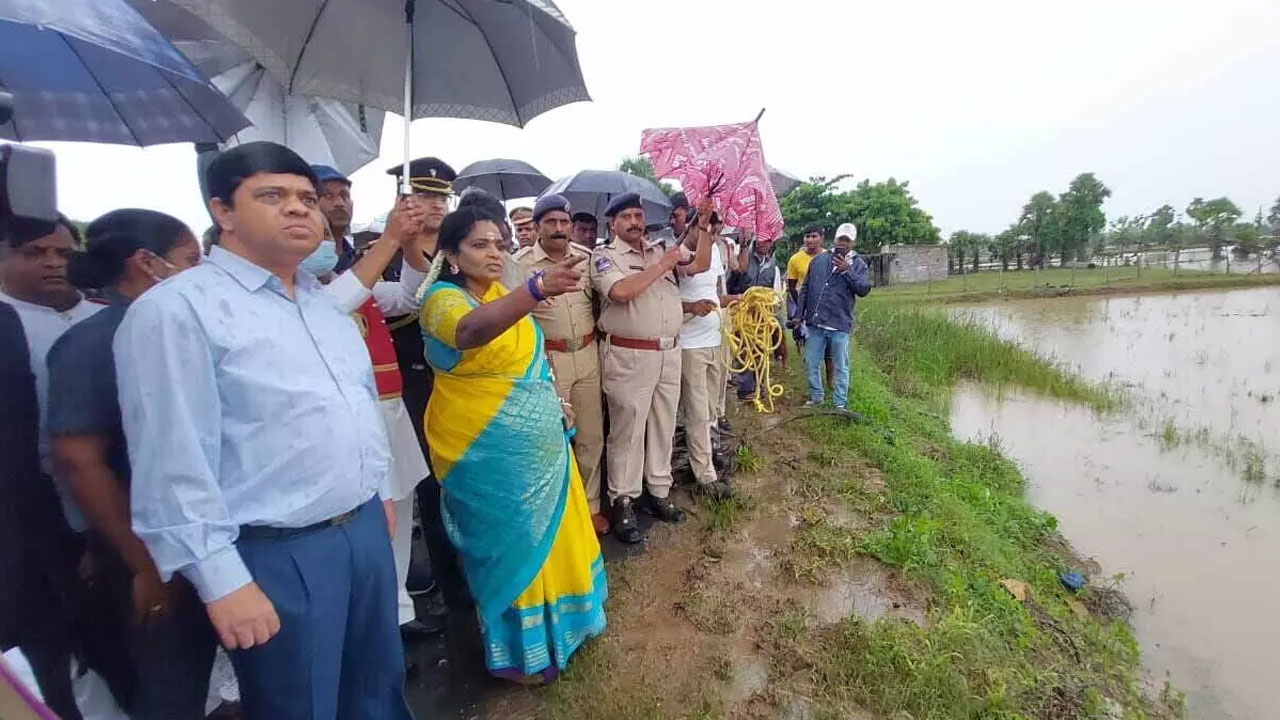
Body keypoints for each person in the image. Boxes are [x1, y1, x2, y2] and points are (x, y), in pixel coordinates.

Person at [114, 142, 412, 720]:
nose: (300, 209)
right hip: (276, 549)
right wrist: (222, 581)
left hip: (363, 529)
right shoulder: (179, 311)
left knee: (376, 688)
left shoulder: (323, 306)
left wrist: (375, 490)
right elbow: (173, 462)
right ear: (222, 211)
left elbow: (351, 407)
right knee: (298, 701)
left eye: (306, 197)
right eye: (272, 196)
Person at [416, 199, 607, 683]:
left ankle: (568, 627)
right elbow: (469, 332)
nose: (495, 253)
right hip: (483, 451)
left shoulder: (504, 293)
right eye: (480, 245)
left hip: (541, 444)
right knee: (510, 546)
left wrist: (554, 398)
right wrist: (536, 288)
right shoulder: (442, 300)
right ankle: (519, 654)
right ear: (452, 256)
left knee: (553, 536)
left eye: (500, 244)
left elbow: (531, 357)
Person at [46, 210, 214, 720]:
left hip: (200, 534)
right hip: (152, 547)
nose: (202, 272)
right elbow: (80, 462)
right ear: (148, 263)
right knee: (170, 681)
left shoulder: (185, 327)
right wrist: (144, 564)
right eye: (192, 260)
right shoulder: (95, 343)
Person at [307, 168, 441, 641]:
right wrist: (391, 237)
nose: (339, 205)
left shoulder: (353, 277)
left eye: (346, 195)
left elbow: (409, 295)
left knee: (400, 512)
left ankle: (400, 611)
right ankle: (369, 621)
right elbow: (331, 307)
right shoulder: (301, 294)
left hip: (387, 413)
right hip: (343, 426)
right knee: (366, 525)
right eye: (327, 199)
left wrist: (408, 244)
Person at [589, 193, 713, 544]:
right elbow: (621, 292)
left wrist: (702, 228)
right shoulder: (604, 256)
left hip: (668, 353)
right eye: (626, 216)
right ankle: (623, 500)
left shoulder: (660, 248)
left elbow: (700, 264)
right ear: (611, 223)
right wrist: (663, 264)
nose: (635, 222)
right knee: (628, 431)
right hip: (630, 356)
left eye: (638, 215)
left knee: (662, 424)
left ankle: (658, 491)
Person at [382, 157, 469, 608]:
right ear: (405, 198)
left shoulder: (460, 252)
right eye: (425, 195)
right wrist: (408, 243)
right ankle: (444, 577)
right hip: (416, 382)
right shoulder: (381, 254)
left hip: (462, 380)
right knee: (431, 482)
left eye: (441, 196)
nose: (435, 205)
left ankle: (470, 566)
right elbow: (410, 301)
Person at [0, 295, 87, 720]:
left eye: (60, 253)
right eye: (37, 252)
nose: (53, 263)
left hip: (32, 520)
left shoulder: (5, 320)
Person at [514, 194, 608, 534]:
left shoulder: (586, 259)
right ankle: (556, 515)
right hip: (547, 362)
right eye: (550, 222)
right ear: (537, 226)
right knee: (551, 439)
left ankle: (591, 506)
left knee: (591, 436)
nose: (558, 228)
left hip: (587, 354)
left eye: (564, 222)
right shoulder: (520, 264)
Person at [677, 210, 734, 499]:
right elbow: (670, 298)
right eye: (704, 227)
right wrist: (690, 307)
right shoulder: (678, 254)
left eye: (714, 228)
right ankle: (705, 476)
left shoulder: (715, 254)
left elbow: (715, 296)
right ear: (690, 226)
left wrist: (738, 299)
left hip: (714, 340)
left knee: (712, 408)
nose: (709, 233)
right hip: (690, 345)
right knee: (697, 412)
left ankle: (709, 453)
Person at [796, 222, 872, 410]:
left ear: (853, 243)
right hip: (816, 323)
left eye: (847, 241)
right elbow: (805, 289)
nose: (843, 244)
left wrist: (847, 270)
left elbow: (863, 289)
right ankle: (816, 398)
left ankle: (839, 403)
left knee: (841, 366)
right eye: (841, 239)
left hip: (839, 324)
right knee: (811, 362)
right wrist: (799, 314)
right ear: (834, 239)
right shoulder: (819, 261)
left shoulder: (859, 265)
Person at [728, 232, 787, 400]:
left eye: (768, 240)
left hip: (762, 317)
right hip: (741, 315)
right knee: (745, 350)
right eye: (761, 239)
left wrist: (777, 323)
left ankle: (759, 384)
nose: (764, 243)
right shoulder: (743, 258)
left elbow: (775, 296)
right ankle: (746, 389)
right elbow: (731, 283)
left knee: (761, 350)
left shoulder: (772, 265)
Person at [314, 165, 357, 273]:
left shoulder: (356, 256)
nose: (339, 203)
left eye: (344, 195)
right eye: (328, 195)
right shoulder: (301, 262)